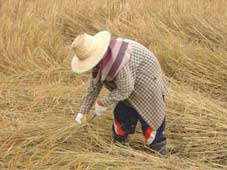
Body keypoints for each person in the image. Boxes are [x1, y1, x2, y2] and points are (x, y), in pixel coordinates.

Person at [71, 30, 168, 155]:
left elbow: (125, 89)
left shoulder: (119, 61)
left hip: (148, 81)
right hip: (128, 84)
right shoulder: (101, 61)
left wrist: (104, 103)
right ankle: (120, 146)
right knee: (122, 115)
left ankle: (161, 151)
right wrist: (82, 111)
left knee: (150, 121)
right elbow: (93, 87)